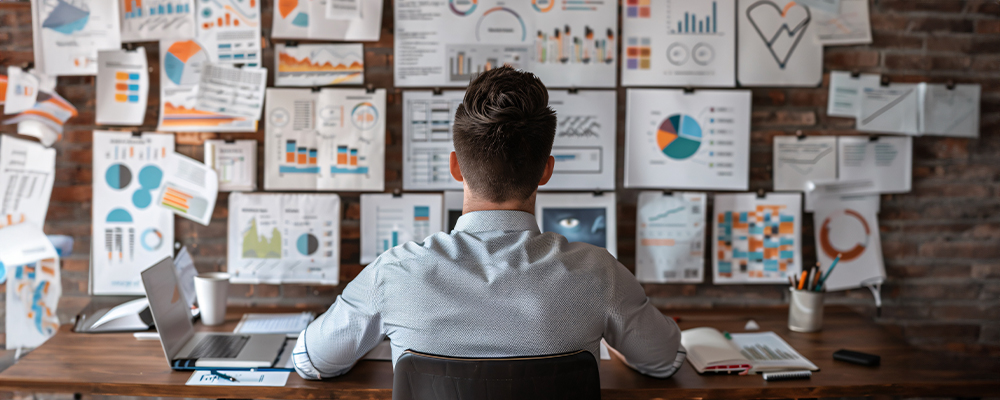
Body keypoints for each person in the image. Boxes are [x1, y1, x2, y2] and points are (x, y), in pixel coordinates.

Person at [291, 66, 686, 379]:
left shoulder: (394, 272)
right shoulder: (599, 274)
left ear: (455, 167)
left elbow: (312, 361)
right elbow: (665, 361)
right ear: (546, 170)